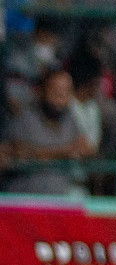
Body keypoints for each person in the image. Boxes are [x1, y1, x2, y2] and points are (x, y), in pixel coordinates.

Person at [4, 68, 92, 196]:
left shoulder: (70, 120)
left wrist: (85, 150)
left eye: (66, 90)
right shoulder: (24, 119)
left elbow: (82, 147)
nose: (60, 95)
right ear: (42, 90)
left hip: (59, 202)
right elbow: (17, 152)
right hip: (26, 203)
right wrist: (64, 151)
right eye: (55, 89)